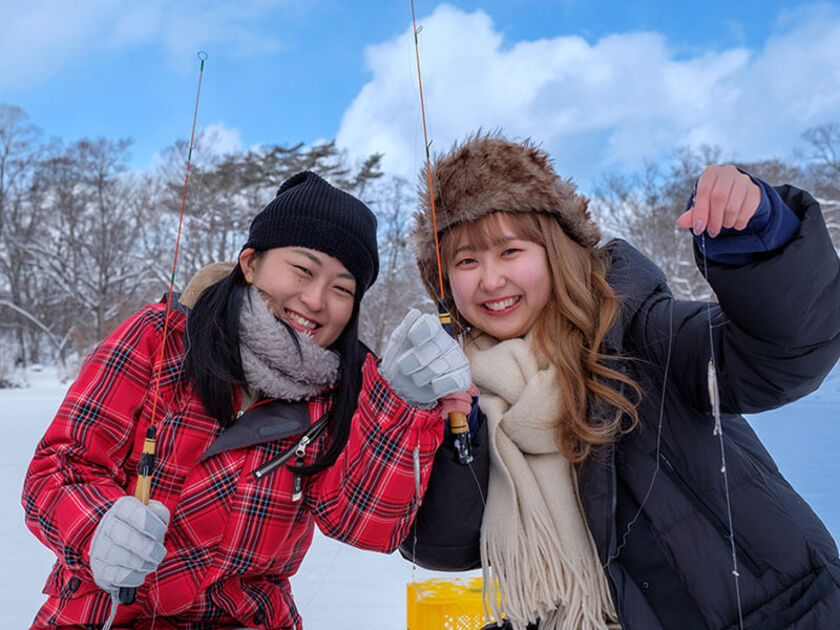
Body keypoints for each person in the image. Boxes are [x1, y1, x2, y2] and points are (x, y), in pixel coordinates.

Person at [400, 134, 840, 629]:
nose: (490, 280)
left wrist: (761, 240)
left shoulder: (643, 331)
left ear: (556, 251)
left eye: (510, 250)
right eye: (466, 260)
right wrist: (440, 424)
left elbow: (784, 356)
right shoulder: (465, 394)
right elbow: (437, 544)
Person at [23, 171, 471, 630]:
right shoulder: (158, 338)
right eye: (303, 269)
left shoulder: (341, 393)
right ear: (251, 263)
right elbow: (57, 467)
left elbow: (365, 525)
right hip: (103, 616)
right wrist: (96, 530)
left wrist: (402, 408)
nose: (315, 300)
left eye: (342, 288)